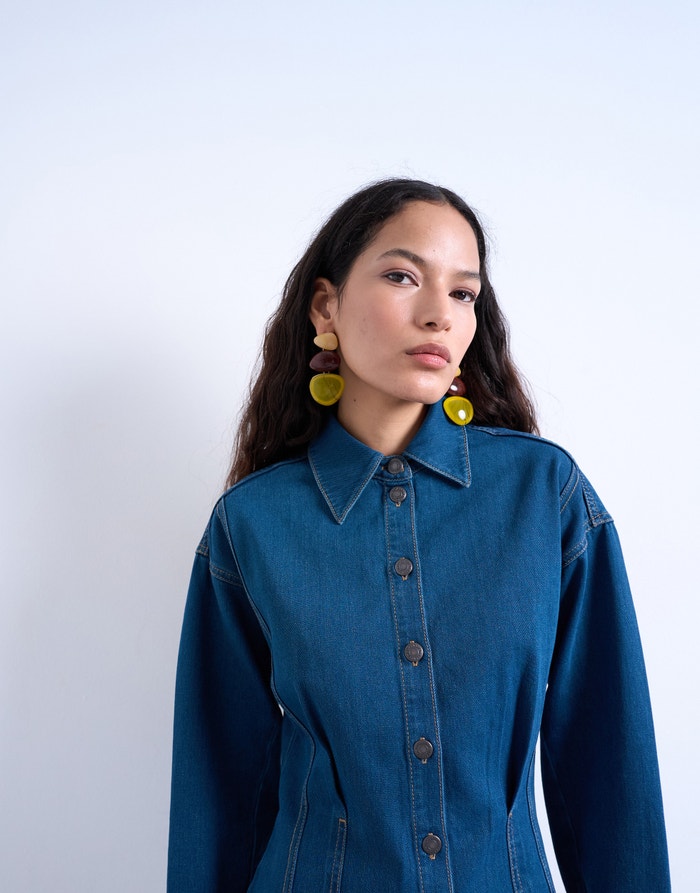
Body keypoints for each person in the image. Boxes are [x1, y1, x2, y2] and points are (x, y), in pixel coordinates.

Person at [167, 179, 671, 892]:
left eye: (463, 293)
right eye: (403, 276)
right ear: (325, 307)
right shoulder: (252, 523)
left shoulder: (544, 495)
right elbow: (220, 791)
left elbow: (607, 759)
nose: (439, 313)